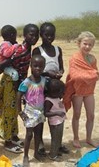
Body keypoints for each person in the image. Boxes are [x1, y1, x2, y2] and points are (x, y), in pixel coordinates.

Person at [0, 24, 39, 154]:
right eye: (31, 34)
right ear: (24, 35)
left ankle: (13, 136)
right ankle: (7, 141)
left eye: (36, 35)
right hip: (10, 84)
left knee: (14, 111)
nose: (34, 37)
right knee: (9, 111)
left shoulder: (27, 49)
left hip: (19, 84)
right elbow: (2, 65)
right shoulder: (20, 49)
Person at [32, 22, 65, 156]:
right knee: (40, 116)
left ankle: (56, 144)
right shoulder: (37, 51)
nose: (49, 37)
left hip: (55, 89)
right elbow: (35, 70)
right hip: (41, 87)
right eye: (46, 35)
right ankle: (39, 143)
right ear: (41, 35)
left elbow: (61, 66)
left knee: (55, 116)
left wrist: (60, 73)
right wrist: (48, 74)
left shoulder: (58, 50)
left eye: (52, 35)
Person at [63, 31, 99, 148]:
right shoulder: (74, 58)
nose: (87, 47)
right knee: (77, 114)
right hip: (77, 90)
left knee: (91, 115)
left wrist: (91, 75)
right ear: (79, 43)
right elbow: (75, 76)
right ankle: (76, 138)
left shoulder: (93, 59)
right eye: (85, 44)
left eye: (90, 45)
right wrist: (91, 75)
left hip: (89, 90)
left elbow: (97, 75)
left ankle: (89, 138)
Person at [17, 55, 46, 166]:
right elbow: (19, 96)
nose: (38, 68)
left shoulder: (43, 81)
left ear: (44, 67)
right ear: (31, 66)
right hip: (29, 112)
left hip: (40, 112)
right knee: (29, 135)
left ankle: (36, 153)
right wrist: (20, 111)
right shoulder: (26, 82)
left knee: (38, 134)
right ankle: (25, 156)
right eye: (35, 66)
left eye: (41, 66)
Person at [44, 79, 68, 162]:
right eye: (61, 92)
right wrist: (57, 113)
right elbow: (46, 113)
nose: (62, 94)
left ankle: (58, 149)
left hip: (60, 121)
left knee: (59, 137)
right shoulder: (48, 101)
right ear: (54, 92)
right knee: (55, 139)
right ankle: (53, 155)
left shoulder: (55, 97)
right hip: (55, 123)